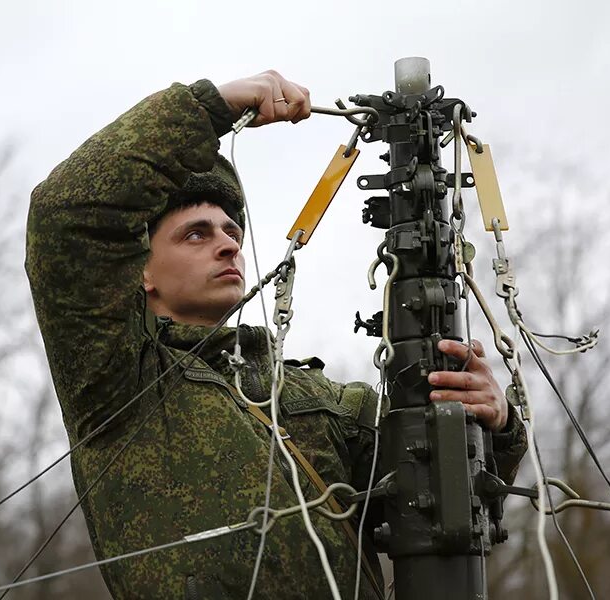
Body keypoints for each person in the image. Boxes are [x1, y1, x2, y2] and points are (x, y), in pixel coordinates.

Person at [26, 70, 527, 600]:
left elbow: (438, 506)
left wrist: (492, 423)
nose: (226, 246)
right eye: (196, 234)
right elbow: (67, 214)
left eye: (232, 232)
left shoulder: (322, 401)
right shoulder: (118, 379)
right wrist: (207, 108)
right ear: (141, 273)